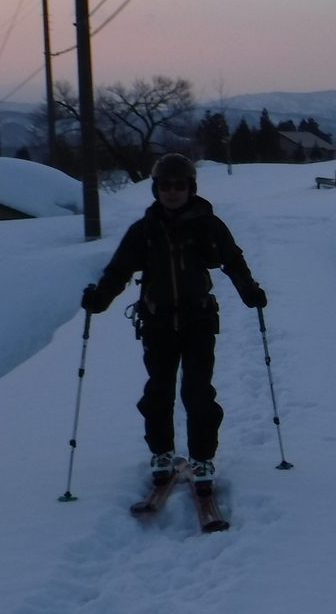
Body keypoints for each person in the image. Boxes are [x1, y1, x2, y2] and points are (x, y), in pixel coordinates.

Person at [81, 154, 266, 485]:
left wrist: (250, 292)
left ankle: (202, 459)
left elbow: (233, 261)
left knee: (198, 393)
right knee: (158, 392)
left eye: (180, 185)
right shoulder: (144, 231)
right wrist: (99, 299)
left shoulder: (209, 225)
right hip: (157, 323)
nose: (172, 192)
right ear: (155, 189)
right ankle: (162, 452)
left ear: (191, 188)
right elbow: (119, 269)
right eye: (165, 185)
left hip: (198, 321)